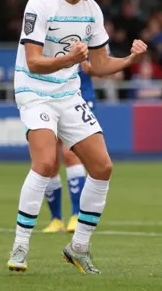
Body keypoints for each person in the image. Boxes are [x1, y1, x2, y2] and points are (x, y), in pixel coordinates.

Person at [7, 0, 147, 274]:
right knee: (44, 162)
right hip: (34, 90)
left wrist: (131, 60)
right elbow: (33, 63)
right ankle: (20, 246)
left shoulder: (92, 11)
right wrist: (69, 59)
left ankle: (78, 247)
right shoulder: (41, 3)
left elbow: (98, 65)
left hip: (69, 94)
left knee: (102, 167)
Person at [42, 68, 97, 234]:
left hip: (79, 96)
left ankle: (77, 215)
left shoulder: (89, 40)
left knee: (70, 153)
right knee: (49, 161)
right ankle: (56, 219)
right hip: (49, 98)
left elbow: (102, 62)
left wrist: (91, 66)